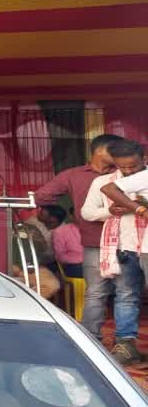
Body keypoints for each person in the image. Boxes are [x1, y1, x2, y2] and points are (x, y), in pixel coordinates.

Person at [34, 134, 122, 340]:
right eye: (116, 150)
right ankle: (91, 339)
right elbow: (42, 196)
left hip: (126, 241)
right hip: (94, 243)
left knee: (125, 295)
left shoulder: (122, 173)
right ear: (101, 151)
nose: (121, 155)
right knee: (97, 294)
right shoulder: (73, 175)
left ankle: (124, 343)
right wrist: (77, 199)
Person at [80, 138, 147, 365]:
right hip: (123, 247)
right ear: (115, 163)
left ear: (143, 160)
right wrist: (110, 211)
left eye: (133, 166)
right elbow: (88, 213)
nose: (128, 171)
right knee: (126, 296)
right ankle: (126, 345)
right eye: (123, 167)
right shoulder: (104, 181)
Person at [42, 204, 83, 278]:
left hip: (92, 264)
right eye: (79, 215)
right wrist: (82, 259)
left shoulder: (93, 229)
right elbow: (60, 256)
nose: (82, 217)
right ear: (71, 216)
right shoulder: (60, 232)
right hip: (73, 266)